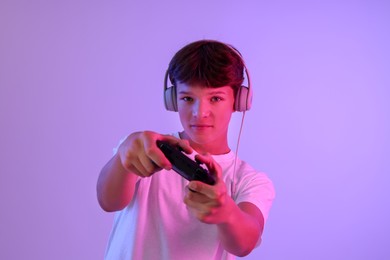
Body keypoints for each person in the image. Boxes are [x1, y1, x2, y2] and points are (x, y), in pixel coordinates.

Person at [97, 39, 275, 260]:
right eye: (188, 98)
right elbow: (108, 201)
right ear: (173, 100)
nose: (200, 113)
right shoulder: (145, 149)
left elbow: (245, 244)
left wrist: (226, 211)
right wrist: (123, 158)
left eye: (216, 98)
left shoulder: (250, 180)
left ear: (238, 100)